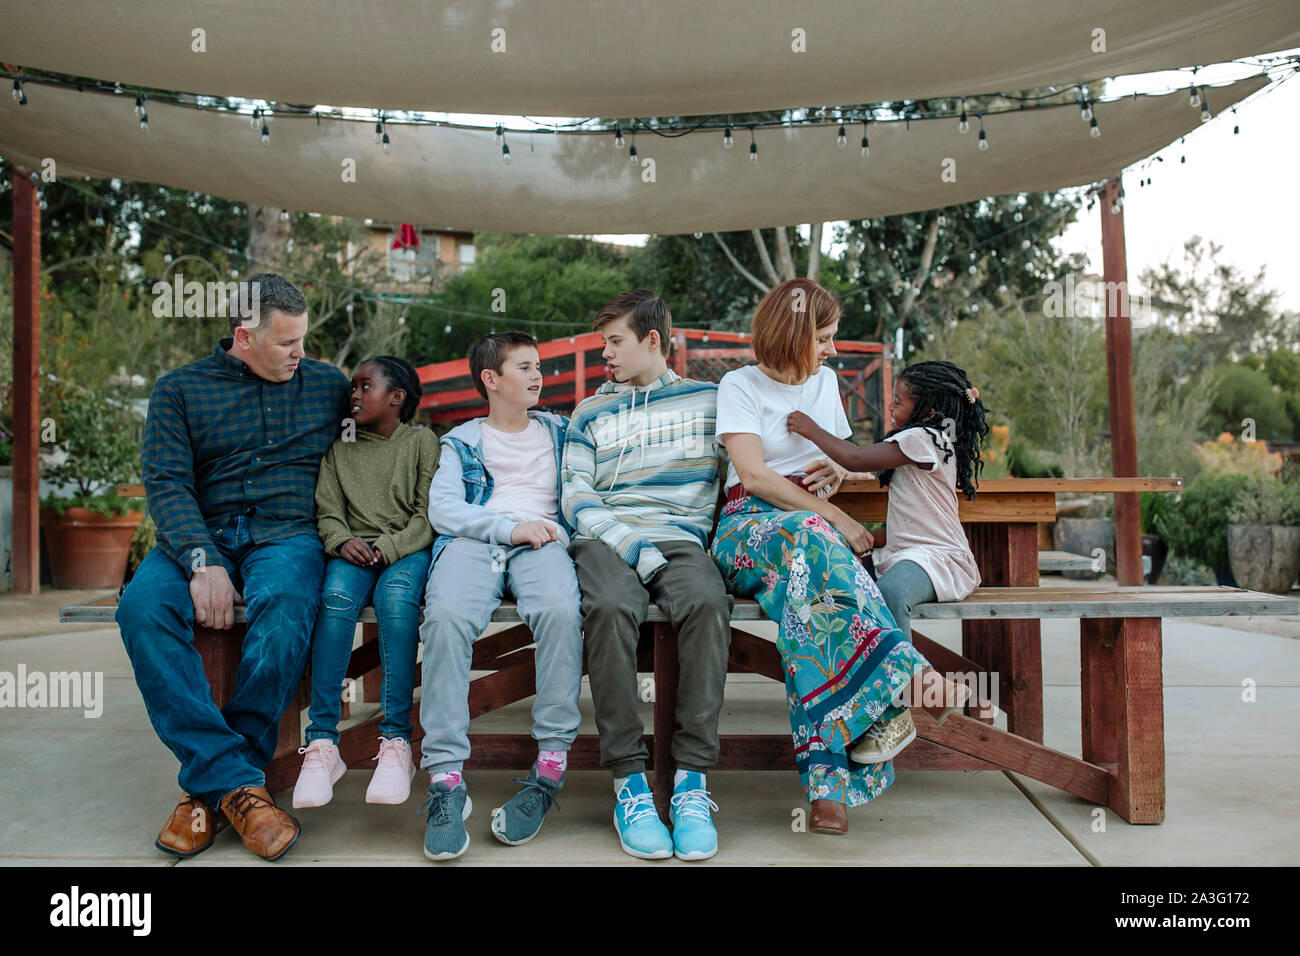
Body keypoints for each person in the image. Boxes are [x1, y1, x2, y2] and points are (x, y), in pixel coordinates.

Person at [116, 274, 351, 861]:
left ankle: (212, 785)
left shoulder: (326, 386)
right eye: (287, 343)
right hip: (202, 533)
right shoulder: (178, 391)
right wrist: (202, 560)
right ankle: (240, 789)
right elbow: (167, 483)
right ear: (244, 336)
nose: (302, 354)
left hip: (287, 535)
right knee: (140, 610)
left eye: (304, 340)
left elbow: (379, 445)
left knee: (289, 606)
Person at [710, 278, 933, 837]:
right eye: (825, 338)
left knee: (808, 620)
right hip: (749, 530)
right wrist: (831, 514)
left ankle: (826, 789)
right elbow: (755, 475)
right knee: (813, 537)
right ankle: (905, 676)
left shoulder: (825, 383)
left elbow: (842, 457)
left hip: (810, 546)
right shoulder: (739, 385)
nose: (833, 350)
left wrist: (837, 471)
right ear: (793, 335)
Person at [562, 289, 731, 862]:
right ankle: (629, 783)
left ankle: (690, 782)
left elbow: (761, 458)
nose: (605, 354)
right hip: (607, 537)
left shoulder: (712, 402)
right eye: (604, 342)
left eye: (615, 342)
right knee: (609, 608)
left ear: (652, 340)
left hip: (681, 538)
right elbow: (576, 497)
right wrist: (633, 546)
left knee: (708, 604)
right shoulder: (587, 412)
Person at [418, 332, 583, 861]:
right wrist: (506, 529)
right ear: (490, 379)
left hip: (546, 540)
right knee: (444, 617)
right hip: (478, 539)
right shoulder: (462, 441)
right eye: (525, 367)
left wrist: (556, 532)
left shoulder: (563, 431)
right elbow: (443, 509)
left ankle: (550, 764)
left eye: (540, 367)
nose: (538, 376)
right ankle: (446, 779)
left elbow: (588, 490)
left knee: (560, 611)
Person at [293, 356, 439, 809]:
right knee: (334, 599)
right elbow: (328, 510)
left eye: (364, 386)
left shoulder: (422, 442)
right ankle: (321, 743)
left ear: (397, 398)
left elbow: (428, 512)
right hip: (353, 551)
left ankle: (396, 742)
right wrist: (341, 541)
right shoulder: (340, 447)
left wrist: (391, 547)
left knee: (396, 603)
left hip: (405, 550)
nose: (353, 394)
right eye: (352, 386)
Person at [787, 359, 986, 649]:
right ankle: (847, 669)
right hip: (907, 554)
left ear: (927, 411)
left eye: (898, 402)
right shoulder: (929, 442)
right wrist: (874, 538)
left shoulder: (924, 438)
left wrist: (810, 428)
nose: (891, 408)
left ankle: (902, 681)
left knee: (891, 592)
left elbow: (855, 458)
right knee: (836, 583)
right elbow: (915, 519)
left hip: (937, 559)